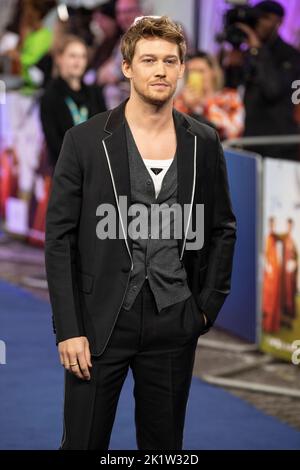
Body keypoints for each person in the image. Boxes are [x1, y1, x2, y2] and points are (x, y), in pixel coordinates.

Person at [45, 16, 236, 450]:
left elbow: (223, 228)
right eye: (149, 59)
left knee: (163, 448)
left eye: (171, 60)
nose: (161, 70)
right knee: (82, 445)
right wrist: (68, 328)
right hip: (98, 322)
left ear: (182, 67)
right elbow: (60, 239)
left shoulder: (203, 142)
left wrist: (205, 308)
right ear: (127, 67)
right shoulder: (85, 140)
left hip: (175, 318)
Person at [236, 0, 300, 159]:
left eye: (265, 17)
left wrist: (258, 50)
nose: (259, 22)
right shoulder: (248, 53)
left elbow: (273, 90)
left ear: (278, 21)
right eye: (257, 17)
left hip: (279, 144)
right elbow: (230, 88)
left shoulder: (290, 55)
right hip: (250, 141)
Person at [40, 35, 106, 168]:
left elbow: (105, 132)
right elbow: (53, 141)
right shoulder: (50, 96)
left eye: (82, 56)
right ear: (59, 58)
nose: (78, 61)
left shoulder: (94, 93)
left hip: (96, 167)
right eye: (72, 56)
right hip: (65, 169)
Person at [174, 50, 244, 140]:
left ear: (213, 72)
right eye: (192, 71)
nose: (196, 76)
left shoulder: (230, 97)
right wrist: (187, 107)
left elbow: (234, 131)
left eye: (200, 71)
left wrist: (204, 104)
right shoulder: (182, 99)